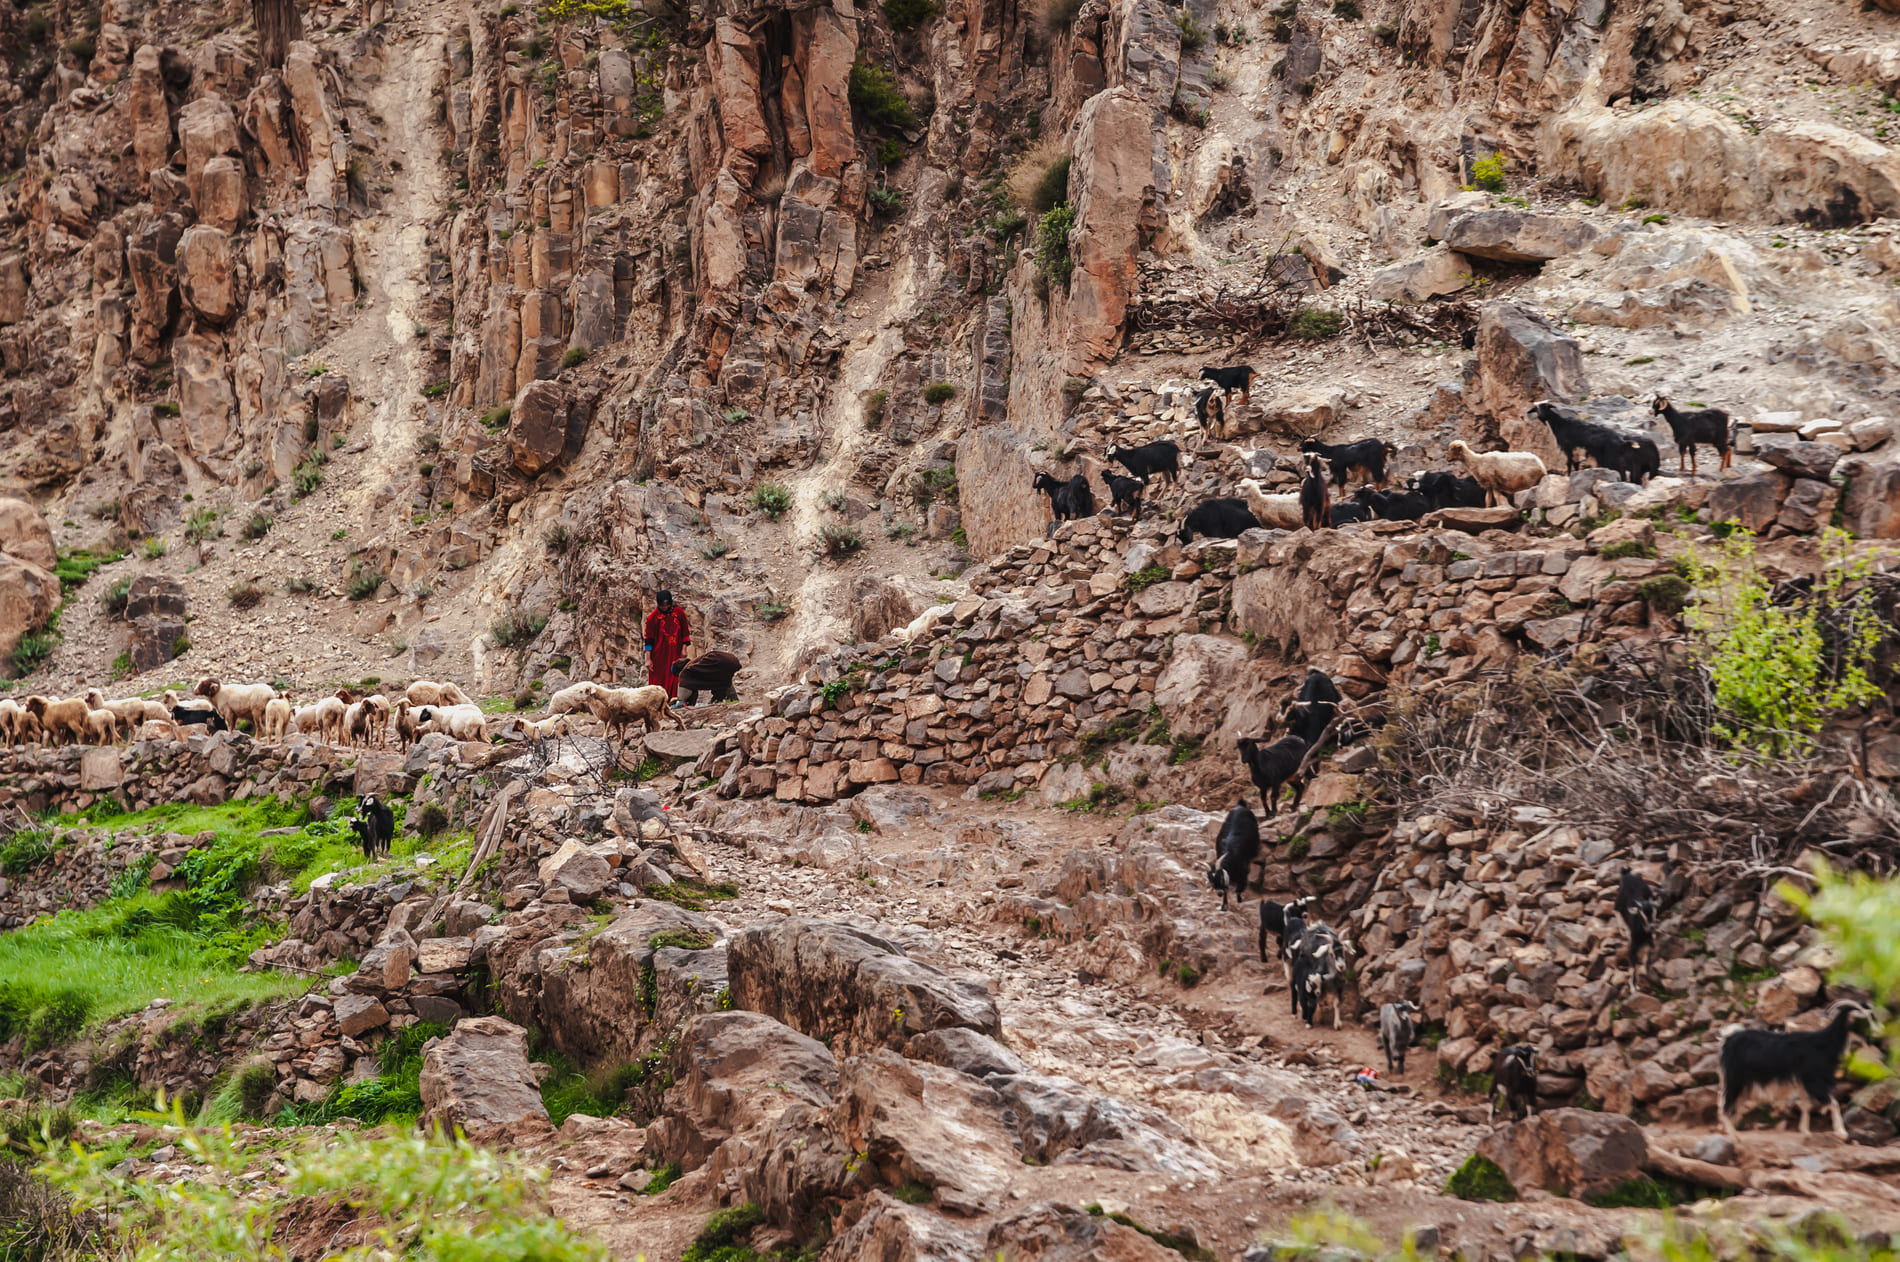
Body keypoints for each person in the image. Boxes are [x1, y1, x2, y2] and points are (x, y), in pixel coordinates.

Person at [643, 590, 691, 701]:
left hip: (676, 653)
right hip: (659, 656)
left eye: (667, 604)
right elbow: (648, 639)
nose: (665, 607)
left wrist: (684, 649)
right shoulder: (653, 617)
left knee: (676, 676)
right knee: (659, 680)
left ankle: (675, 702)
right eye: (662, 605)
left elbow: (685, 633)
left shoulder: (679, 613)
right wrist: (648, 658)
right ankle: (658, 704)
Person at [676, 650, 741, 705]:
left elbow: (682, 697)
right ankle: (736, 704)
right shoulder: (707, 672)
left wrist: (679, 703)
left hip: (718, 659)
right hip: (733, 659)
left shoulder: (686, 672)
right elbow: (719, 691)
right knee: (724, 683)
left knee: (724, 683)